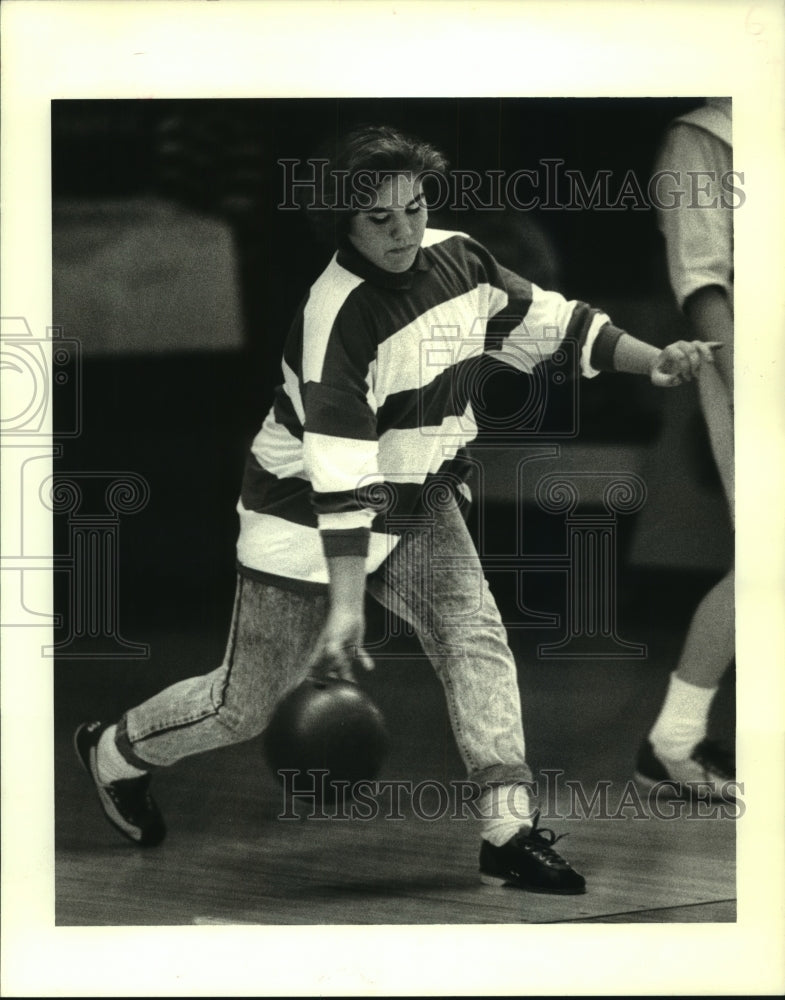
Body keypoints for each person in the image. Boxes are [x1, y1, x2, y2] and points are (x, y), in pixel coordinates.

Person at [75, 124, 719, 895]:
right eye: (379, 219)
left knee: (474, 638)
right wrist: (347, 606)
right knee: (242, 707)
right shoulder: (334, 318)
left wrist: (657, 361)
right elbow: (339, 474)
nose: (403, 231)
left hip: (420, 495)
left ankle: (507, 830)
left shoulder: (462, 261)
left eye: (412, 209)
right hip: (305, 514)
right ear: (342, 223)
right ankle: (116, 749)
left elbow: (557, 324)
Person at [634, 98, 736, 799]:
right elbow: (701, 280)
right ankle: (672, 743)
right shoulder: (698, 137)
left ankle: (670, 743)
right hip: (750, 374)